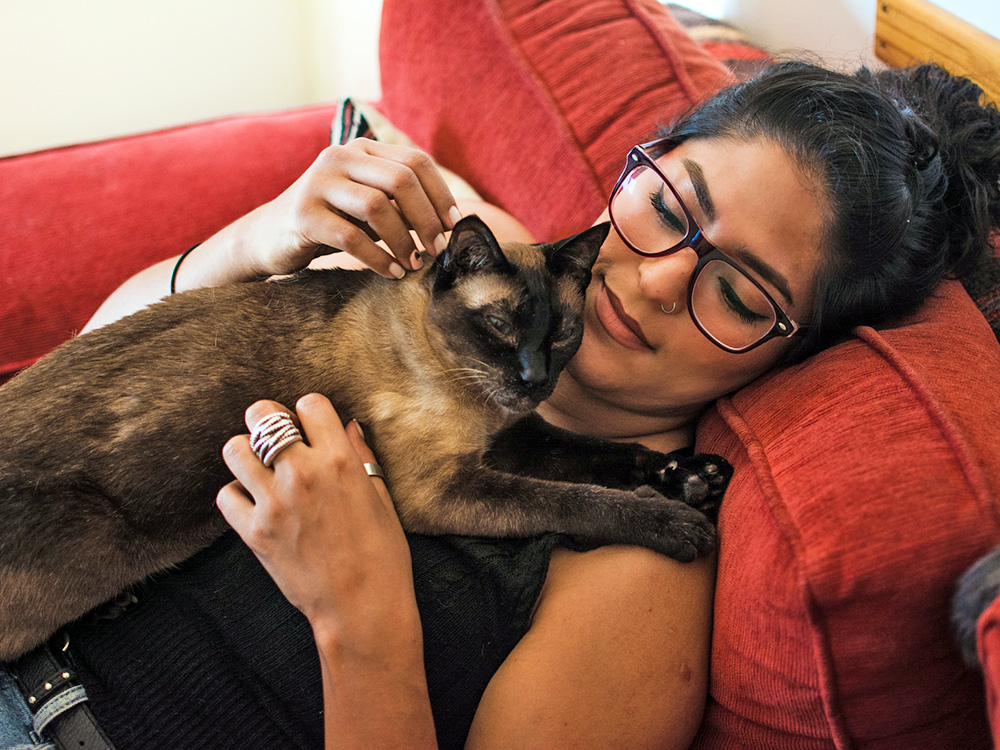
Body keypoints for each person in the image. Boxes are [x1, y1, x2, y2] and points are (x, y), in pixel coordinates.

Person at [3, 61, 999, 750]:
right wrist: (246, 247)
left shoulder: (636, 573)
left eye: (738, 294)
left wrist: (362, 620)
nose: (654, 282)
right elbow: (85, 370)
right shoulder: (452, 261)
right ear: (637, 162)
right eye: (669, 206)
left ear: (792, 356)